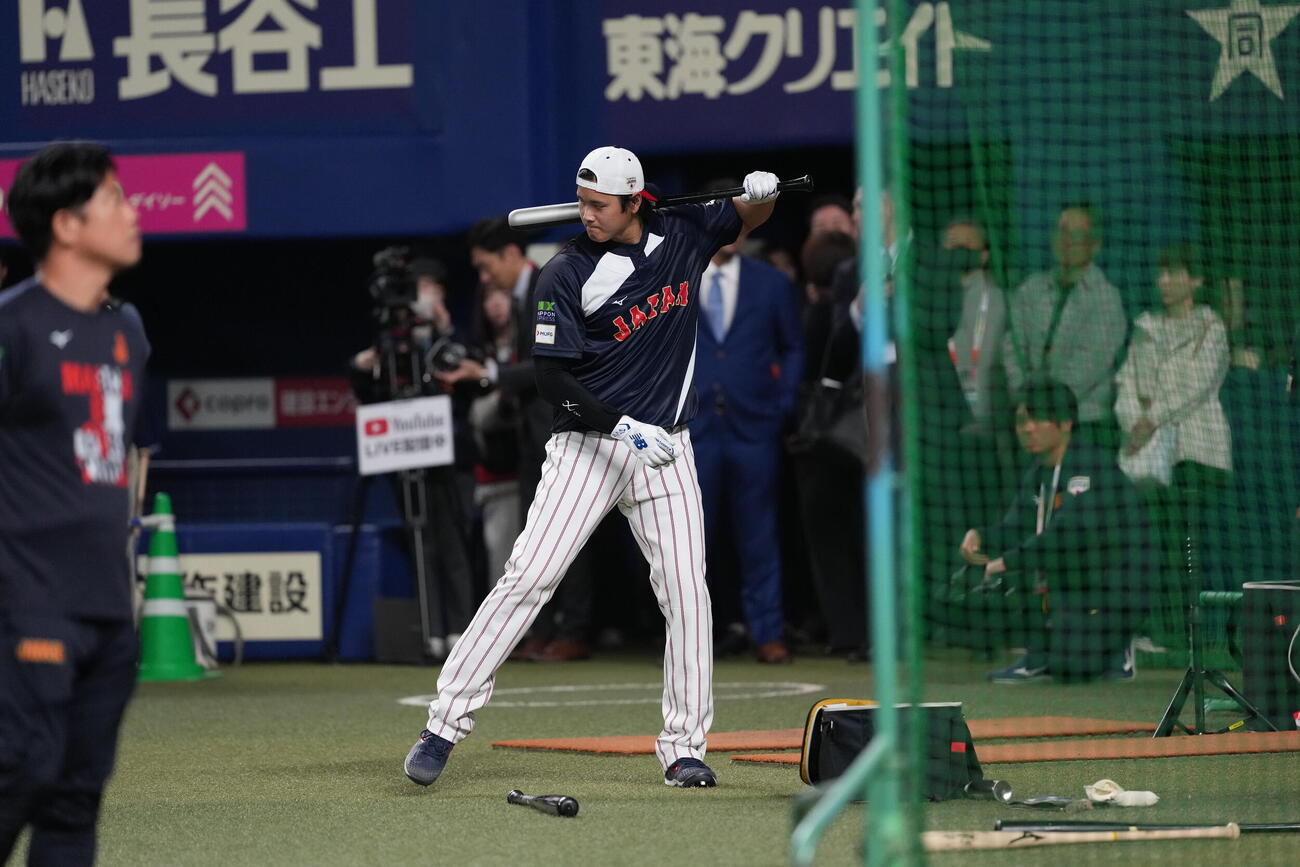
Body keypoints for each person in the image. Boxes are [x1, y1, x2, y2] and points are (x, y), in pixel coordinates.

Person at [405, 146, 782, 789]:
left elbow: (747, 218)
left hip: (666, 448)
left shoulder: (687, 232)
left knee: (689, 596)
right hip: (588, 446)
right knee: (530, 577)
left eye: (599, 205)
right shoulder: (564, 271)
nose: (585, 215)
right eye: (581, 202)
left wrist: (761, 193)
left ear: (635, 201)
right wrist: (620, 425)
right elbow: (551, 378)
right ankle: (443, 723)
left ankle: (685, 748)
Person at [0, 142, 148, 864]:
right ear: (65, 224)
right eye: (116, 197)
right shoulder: (13, 325)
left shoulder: (125, 330)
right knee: (21, 767)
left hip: (108, 609)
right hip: (28, 598)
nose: (133, 211)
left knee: (75, 794)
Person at [440, 218, 597, 662]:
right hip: (531, 436)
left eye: (487, 268)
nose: (483, 279)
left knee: (571, 535)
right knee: (536, 538)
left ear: (511, 255)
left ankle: (574, 629)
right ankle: (540, 631)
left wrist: (490, 376)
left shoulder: (553, 281)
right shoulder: (503, 299)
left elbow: (557, 363)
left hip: (568, 429)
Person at [959, 378, 1152, 683]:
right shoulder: (1039, 472)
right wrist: (980, 535)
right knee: (1064, 663)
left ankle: (1118, 643)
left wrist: (1003, 563)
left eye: (1038, 420)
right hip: (1068, 589)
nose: (1027, 428)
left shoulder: (1090, 465)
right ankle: (1041, 653)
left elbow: (1066, 536)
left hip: (1112, 591)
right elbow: (1015, 527)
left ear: (1065, 424)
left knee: (1074, 667)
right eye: (1022, 420)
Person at [691, 197, 803, 663]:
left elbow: (793, 348)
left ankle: (767, 632)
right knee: (689, 544)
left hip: (754, 427)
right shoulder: (678, 278)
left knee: (759, 535)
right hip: (692, 430)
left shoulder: (772, 283)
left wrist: (782, 406)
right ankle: (689, 641)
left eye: (740, 220)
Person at [350, 255, 479, 659]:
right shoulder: (390, 341)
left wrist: (444, 331)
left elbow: (466, 380)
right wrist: (359, 367)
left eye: (427, 288)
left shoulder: (452, 336)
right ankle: (432, 633)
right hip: (406, 454)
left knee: (454, 543)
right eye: (414, 288)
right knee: (421, 543)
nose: (419, 297)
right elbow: (372, 395)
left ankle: (463, 632)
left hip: (450, 458)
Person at [1115, 243, 1231, 630]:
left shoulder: (1211, 328)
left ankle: (1193, 631)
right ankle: (1158, 628)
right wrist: (1135, 422)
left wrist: (1153, 417)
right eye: (1161, 272)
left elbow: (1195, 387)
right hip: (1147, 453)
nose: (1164, 280)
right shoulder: (1145, 327)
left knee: (1189, 544)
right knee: (1154, 541)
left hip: (1198, 452)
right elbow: (1127, 382)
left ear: (1195, 281)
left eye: (1175, 272)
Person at [789, 230, 867, 660]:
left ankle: (846, 631)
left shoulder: (815, 315)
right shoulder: (827, 317)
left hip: (823, 437)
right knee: (856, 535)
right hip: (849, 436)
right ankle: (859, 632)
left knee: (833, 541)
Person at [1002, 204, 1127, 448]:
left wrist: (1045, 405)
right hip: (1031, 420)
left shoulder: (1105, 298)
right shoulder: (1030, 289)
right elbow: (1011, 347)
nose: (1066, 241)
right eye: (1061, 232)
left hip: (1085, 424)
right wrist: (1025, 398)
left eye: (1077, 235)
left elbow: (1089, 364)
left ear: (1095, 244)